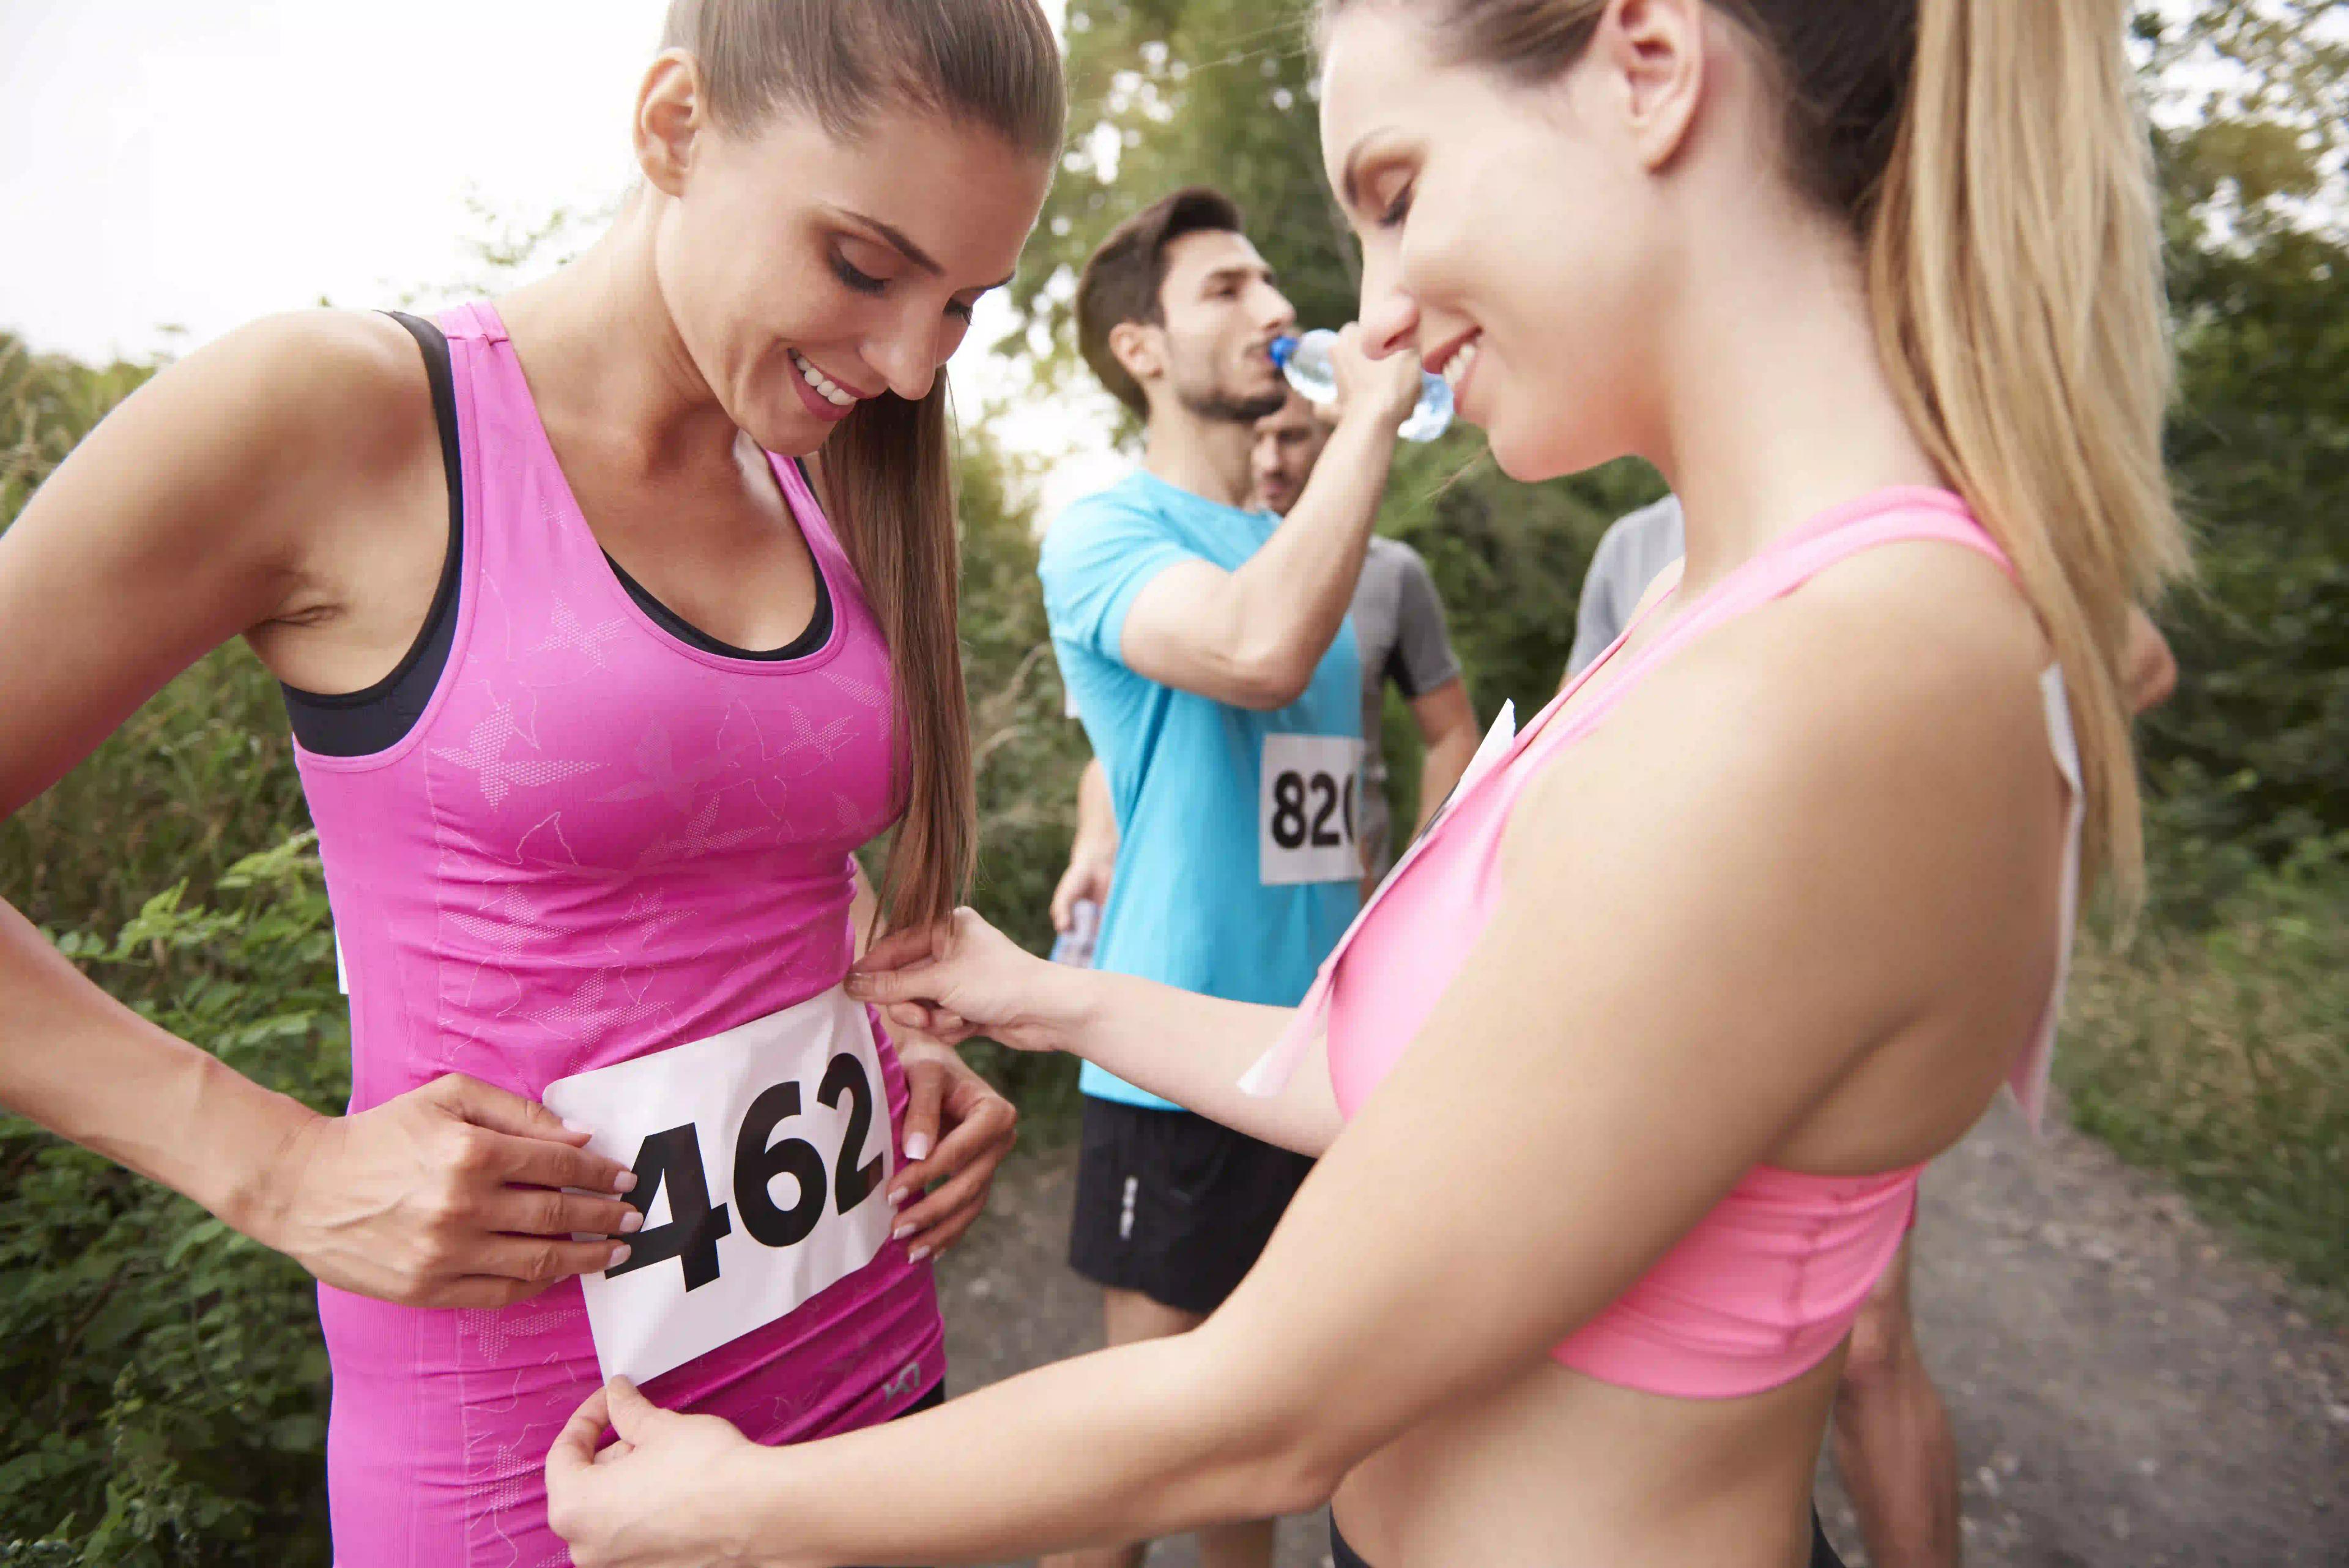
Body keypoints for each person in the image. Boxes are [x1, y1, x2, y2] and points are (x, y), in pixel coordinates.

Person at [546, 3, 2188, 1566]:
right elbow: (1400, 1088)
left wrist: (738, 1508)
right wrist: (1046, 995)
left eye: (1396, 197)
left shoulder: (1825, 682)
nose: (1378, 310)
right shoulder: (1716, 618)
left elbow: (1267, 1407)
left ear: (1649, 67)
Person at [0, 1, 1061, 1561]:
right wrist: (278, 1165)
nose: (911, 364)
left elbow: (748, 861)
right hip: (535, 1488)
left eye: (962, 305)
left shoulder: (812, 460)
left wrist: (878, 1040)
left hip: (874, 1424)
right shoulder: (339, 414)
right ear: (675, 128)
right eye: (862, 264)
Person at [1568, 494, 2180, 1568]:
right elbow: (1585, 747)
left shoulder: (1897, 497)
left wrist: (1936, 783)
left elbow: (2135, 655)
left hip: (1834, 988)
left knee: (1869, 1346)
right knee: (1675, 1322)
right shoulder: (1635, 546)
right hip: (1668, 991)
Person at [1034, 186, 1427, 1568]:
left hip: (1321, 1055)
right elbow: (1239, 659)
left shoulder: (1299, 549)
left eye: (1273, 283)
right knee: (1134, 1461)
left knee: (1262, 1445)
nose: (1275, 311)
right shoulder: (1101, 532)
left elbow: (1178, 731)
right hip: (1171, 1053)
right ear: (1140, 349)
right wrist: (1371, 418)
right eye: (1226, 290)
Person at [1053, 387, 1477, 937]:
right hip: (1192, 912)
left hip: (1346, 910)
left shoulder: (1392, 573)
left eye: (1293, 437)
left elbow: (1452, 734)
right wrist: (1093, 841)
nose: (1272, 460)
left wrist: (1423, 878)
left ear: (1329, 436)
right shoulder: (1168, 570)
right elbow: (1114, 747)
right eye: (1257, 438)